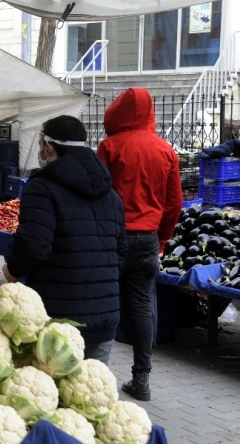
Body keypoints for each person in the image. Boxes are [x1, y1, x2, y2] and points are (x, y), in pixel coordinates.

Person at [2, 116, 127, 363]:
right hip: (105, 318)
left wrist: (12, 270)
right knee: (88, 398)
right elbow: (121, 253)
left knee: (55, 397)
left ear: (49, 147)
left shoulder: (41, 189)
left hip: (59, 319)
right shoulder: (111, 195)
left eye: (41, 144)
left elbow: (34, 247)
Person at [97, 88, 182, 400]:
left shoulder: (109, 146)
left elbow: (97, 192)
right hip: (147, 239)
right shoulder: (165, 151)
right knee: (141, 307)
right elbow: (174, 203)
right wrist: (161, 239)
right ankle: (142, 378)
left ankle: (97, 375)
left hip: (112, 239)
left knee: (103, 302)